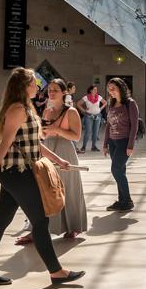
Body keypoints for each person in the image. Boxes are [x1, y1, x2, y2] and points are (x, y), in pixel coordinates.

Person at [0, 68, 84, 286]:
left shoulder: (28, 108)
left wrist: (58, 160)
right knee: (40, 221)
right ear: (24, 86)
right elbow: (5, 143)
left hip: (17, 173)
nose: (38, 87)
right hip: (17, 173)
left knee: (0, 221)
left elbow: (35, 144)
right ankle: (56, 272)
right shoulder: (17, 109)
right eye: (34, 83)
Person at [41, 79, 87, 239]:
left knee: (68, 188)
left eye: (55, 90)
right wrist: (43, 132)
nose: (51, 93)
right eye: (49, 90)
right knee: (45, 187)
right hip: (48, 148)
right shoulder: (47, 111)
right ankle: (43, 227)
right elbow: (43, 134)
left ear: (63, 93)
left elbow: (76, 136)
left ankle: (72, 225)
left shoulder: (71, 111)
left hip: (65, 150)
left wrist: (57, 130)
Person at [102, 77, 139, 211]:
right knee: (120, 171)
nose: (110, 92)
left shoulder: (130, 103)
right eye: (109, 89)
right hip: (113, 142)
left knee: (116, 169)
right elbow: (108, 125)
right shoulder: (111, 104)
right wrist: (105, 143)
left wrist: (130, 145)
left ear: (121, 89)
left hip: (124, 141)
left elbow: (134, 125)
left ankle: (127, 200)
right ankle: (121, 200)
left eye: (113, 89)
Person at [78, 85, 104, 153]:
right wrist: (83, 110)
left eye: (96, 89)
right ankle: (83, 147)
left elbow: (105, 102)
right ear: (91, 90)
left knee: (95, 132)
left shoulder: (99, 97)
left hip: (97, 116)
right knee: (88, 132)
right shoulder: (86, 97)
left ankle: (94, 146)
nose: (96, 91)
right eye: (94, 89)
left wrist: (100, 108)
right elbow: (78, 104)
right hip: (88, 116)